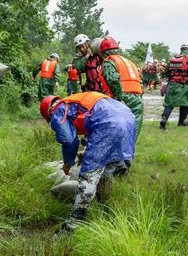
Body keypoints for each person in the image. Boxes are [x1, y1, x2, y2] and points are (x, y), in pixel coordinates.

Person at [40, 92, 135, 233]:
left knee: (88, 178)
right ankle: (105, 212)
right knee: (107, 170)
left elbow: (68, 140)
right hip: (128, 119)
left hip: (109, 124)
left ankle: (71, 227)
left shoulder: (59, 110)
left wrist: (68, 163)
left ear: (48, 114)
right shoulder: (77, 102)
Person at [98, 36, 144, 139]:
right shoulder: (129, 62)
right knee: (133, 129)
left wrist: (118, 99)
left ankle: (114, 152)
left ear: (102, 52)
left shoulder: (109, 62)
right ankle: (128, 152)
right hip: (138, 99)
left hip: (123, 97)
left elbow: (114, 79)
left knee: (116, 128)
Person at [160, 45, 188, 129]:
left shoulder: (172, 59)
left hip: (172, 85)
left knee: (169, 103)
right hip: (185, 85)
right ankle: (181, 122)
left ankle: (164, 119)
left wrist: (168, 82)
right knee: (185, 104)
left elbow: (166, 72)